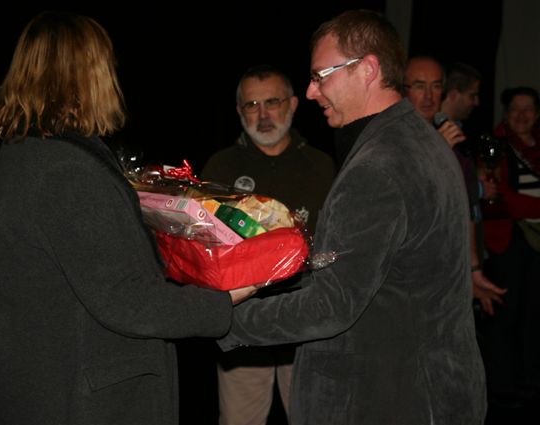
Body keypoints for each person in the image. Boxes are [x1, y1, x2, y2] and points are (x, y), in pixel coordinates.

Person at [217, 10, 487, 424]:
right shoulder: (420, 142)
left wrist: (219, 318)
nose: (311, 92)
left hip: (389, 399)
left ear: (367, 69)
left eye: (320, 76)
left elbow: (331, 305)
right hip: (435, 388)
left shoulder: (377, 167)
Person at [0, 11, 255, 425]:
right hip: (87, 398)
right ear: (86, 74)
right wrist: (224, 299)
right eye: (107, 65)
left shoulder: (25, 152)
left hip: (51, 383)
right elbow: (125, 300)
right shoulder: (65, 169)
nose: (113, 76)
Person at [202, 64, 335, 425]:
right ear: (238, 111)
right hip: (244, 323)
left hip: (307, 321)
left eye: (272, 102)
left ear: (293, 104)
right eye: (252, 105)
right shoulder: (220, 167)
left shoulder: (321, 165)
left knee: (313, 417)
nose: (262, 115)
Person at [403, 55, 505, 315]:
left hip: (448, 268)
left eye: (436, 86)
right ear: (402, 91)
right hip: (409, 273)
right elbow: (406, 202)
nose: (429, 96)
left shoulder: (447, 135)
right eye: (419, 86)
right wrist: (437, 153)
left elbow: (465, 208)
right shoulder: (393, 138)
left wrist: (473, 269)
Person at [478, 86, 540, 408]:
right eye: (515, 109)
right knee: (506, 314)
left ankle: (530, 381)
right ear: (506, 113)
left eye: (528, 109)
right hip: (508, 242)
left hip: (536, 244)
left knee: (535, 314)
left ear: (537, 114)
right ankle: (502, 387)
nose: (522, 115)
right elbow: (498, 198)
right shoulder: (495, 145)